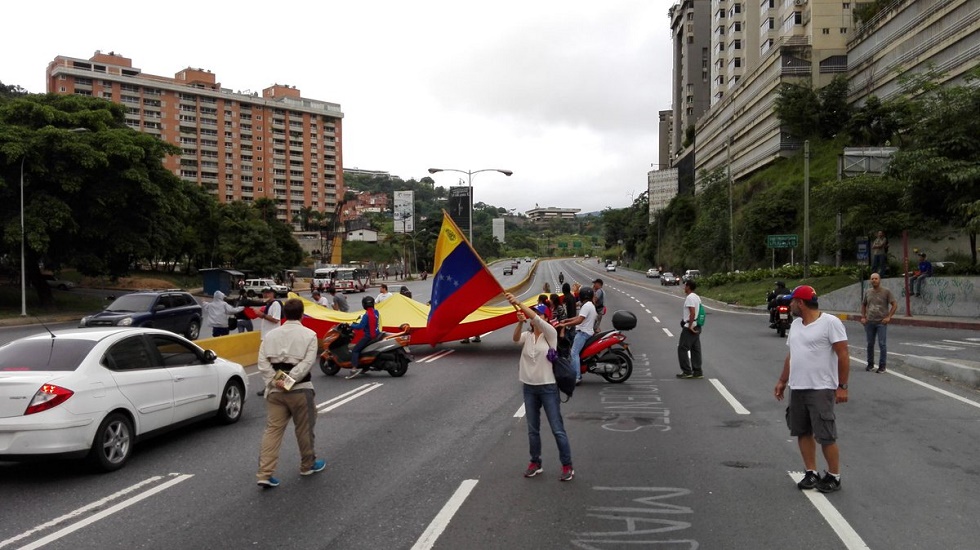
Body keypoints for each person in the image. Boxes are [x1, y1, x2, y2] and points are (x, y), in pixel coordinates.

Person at [774, 285, 849, 493]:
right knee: (802, 431)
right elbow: (792, 355)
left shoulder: (830, 323)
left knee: (825, 435)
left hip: (821, 388)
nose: (788, 305)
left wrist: (842, 386)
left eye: (791, 301)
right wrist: (782, 380)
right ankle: (811, 472)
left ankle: (834, 476)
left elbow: (843, 354)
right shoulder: (797, 324)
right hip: (798, 387)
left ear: (800, 303)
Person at [505, 291, 574, 482]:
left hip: (548, 387)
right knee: (532, 429)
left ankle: (567, 465)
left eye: (539, 314)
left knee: (556, 428)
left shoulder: (550, 334)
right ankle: (535, 462)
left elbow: (535, 317)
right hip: (529, 388)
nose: (534, 316)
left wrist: (518, 302)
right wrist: (519, 322)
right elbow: (515, 339)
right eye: (535, 314)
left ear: (545, 318)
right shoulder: (528, 336)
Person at [255, 298, 325, 488]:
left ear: (284, 315)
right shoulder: (309, 335)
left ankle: (265, 473)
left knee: (272, 431)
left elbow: (262, 363)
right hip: (300, 390)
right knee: (304, 429)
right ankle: (307, 464)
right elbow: (306, 364)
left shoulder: (270, 336)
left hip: (275, 393)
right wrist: (288, 382)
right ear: (302, 315)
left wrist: (275, 382)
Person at [558, 286, 597, 384]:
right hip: (586, 332)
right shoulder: (589, 305)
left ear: (583, 296)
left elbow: (579, 320)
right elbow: (579, 317)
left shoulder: (586, 306)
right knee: (575, 353)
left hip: (583, 333)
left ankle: (577, 377)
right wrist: (567, 320)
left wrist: (565, 324)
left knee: (574, 353)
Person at [861, 273, 897, 373]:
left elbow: (894, 304)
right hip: (870, 321)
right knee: (870, 343)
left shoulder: (886, 292)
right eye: (872, 279)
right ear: (870, 280)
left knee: (882, 344)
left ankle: (882, 366)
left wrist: (889, 317)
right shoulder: (868, 292)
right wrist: (863, 317)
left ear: (879, 280)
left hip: (881, 322)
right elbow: (864, 305)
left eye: (876, 278)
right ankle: (870, 364)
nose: (874, 280)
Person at [347, 296, 381, 379]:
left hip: (369, 336)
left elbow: (360, 326)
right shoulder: (376, 312)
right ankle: (365, 367)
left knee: (355, 350)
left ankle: (354, 368)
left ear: (364, 305)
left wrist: (351, 325)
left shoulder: (366, 316)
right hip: (377, 334)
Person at [676, 280, 704, 379]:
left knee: (682, 348)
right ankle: (697, 371)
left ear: (688, 287)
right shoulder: (697, 297)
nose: (684, 287)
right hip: (697, 324)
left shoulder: (690, 298)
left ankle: (687, 371)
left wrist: (690, 325)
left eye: (685, 285)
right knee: (695, 349)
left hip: (690, 326)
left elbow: (692, 312)